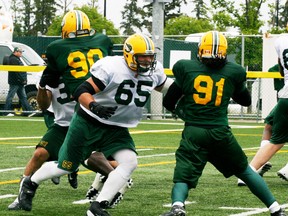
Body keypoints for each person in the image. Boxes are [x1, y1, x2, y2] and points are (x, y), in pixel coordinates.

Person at [16, 33, 174, 216]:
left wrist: (187, 90)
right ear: (129, 55)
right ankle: (30, 182)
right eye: (143, 56)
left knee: (129, 162)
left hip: (116, 127)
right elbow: (82, 90)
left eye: (150, 56)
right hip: (88, 123)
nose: (148, 60)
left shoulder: (154, 71)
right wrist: (94, 105)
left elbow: (165, 85)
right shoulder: (113, 67)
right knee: (66, 166)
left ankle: (97, 207)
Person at [160, 31, 285, 216]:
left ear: (201, 51)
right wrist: (231, 86)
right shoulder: (233, 71)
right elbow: (245, 101)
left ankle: (178, 206)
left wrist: (181, 110)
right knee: (244, 170)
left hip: (194, 131)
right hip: (220, 132)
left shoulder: (186, 68)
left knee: (183, 176)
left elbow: (168, 102)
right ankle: (276, 210)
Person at [247, 32, 288, 183]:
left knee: (274, 138)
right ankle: (249, 173)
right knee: (275, 138)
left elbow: (280, 68)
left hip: (285, 96)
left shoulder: (281, 41)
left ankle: (249, 172)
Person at [237, 64, 285, 186]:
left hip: (286, 100)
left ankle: (249, 173)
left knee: (276, 139)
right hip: (285, 99)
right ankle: (255, 168)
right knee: (270, 127)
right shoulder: (276, 66)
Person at [4, 47, 34, 116]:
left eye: (21, 52)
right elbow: (17, 72)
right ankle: (6, 112)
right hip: (15, 82)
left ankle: (29, 111)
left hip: (19, 82)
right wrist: (22, 80)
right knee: (10, 96)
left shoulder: (16, 59)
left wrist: (22, 80)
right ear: (15, 52)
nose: (21, 53)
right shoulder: (13, 59)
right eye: (20, 52)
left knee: (23, 97)